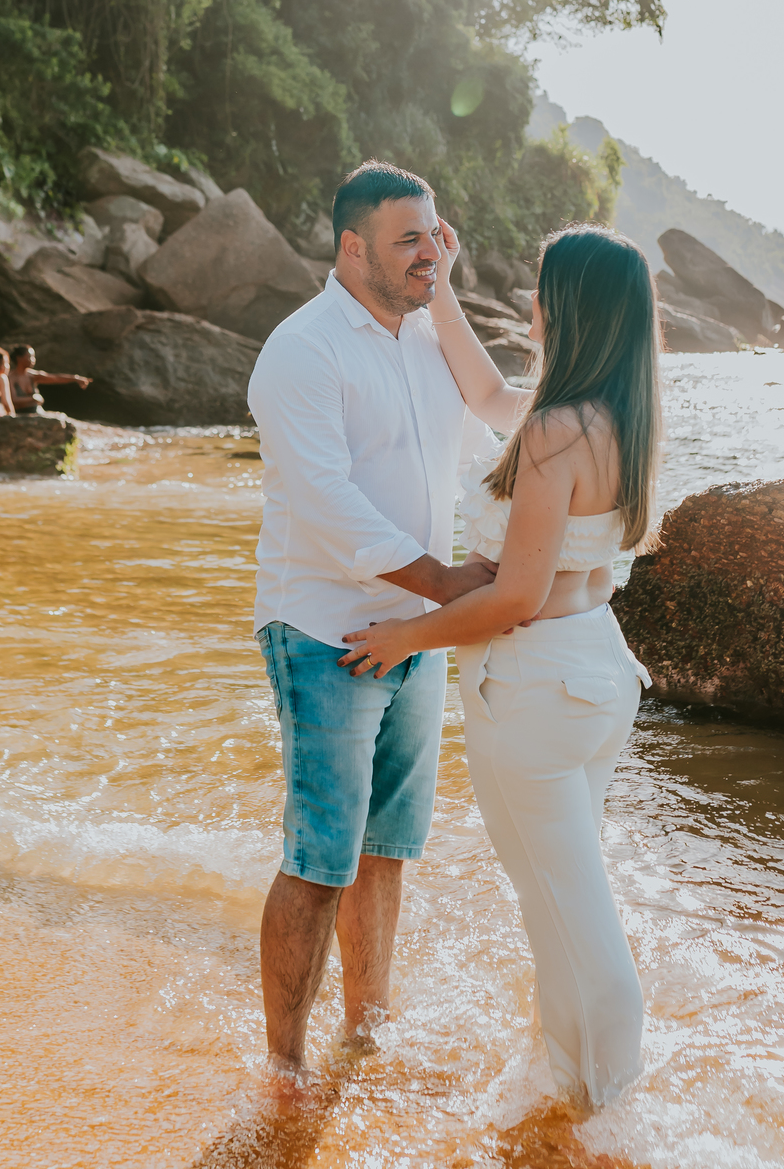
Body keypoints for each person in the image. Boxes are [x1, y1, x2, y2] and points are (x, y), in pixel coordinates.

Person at [341, 222, 660, 1112]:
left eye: (543, 288)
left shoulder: (559, 429)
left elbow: (517, 597)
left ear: (570, 308)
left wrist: (406, 636)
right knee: (551, 903)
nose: (531, 301)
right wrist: (438, 283)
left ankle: (620, 1120)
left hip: (535, 688)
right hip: (592, 677)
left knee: (577, 921)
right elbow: (483, 389)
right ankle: (569, 1087)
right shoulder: (615, 417)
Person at [246, 161, 500, 1080]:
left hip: (418, 633)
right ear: (352, 247)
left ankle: (365, 1033)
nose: (429, 251)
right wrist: (449, 584)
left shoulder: (429, 337)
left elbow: (496, 418)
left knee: (386, 850)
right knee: (322, 858)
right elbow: (327, 503)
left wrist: (452, 598)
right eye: (409, 239)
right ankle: (285, 1067)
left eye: (436, 234)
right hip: (323, 632)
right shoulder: (302, 349)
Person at [8, 344, 91, 413]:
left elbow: (56, 378)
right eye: (30, 357)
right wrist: (33, 398)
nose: (33, 360)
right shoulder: (10, 378)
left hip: (36, 411)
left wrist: (75, 378)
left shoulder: (33, 376)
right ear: (19, 358)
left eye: (33, 357)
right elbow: (13, 400)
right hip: (20, 412)